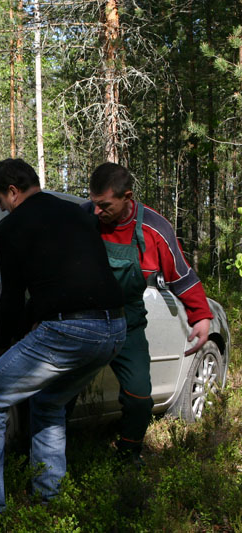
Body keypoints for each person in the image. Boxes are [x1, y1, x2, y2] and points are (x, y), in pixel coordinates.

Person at [0, 158, 126, 512]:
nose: (0, 208)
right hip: (114, 329)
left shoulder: (9, 230)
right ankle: (51, 499)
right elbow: (66, 280)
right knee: (49, 402)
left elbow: (12, 297)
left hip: (71, 330)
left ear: (13, 191)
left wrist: (0, 342)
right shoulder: (78, 215)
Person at [85, 162, 213, 463]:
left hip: (127, 323)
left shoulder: (155, 228)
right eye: (92, 204)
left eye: (104, 206)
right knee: (61, 392)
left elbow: (181, 276)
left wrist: (202, 316)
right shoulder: (83, 219)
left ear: (127, 196)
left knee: (140, 397)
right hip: (85, 320)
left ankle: (129, 455)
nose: (96, 212)